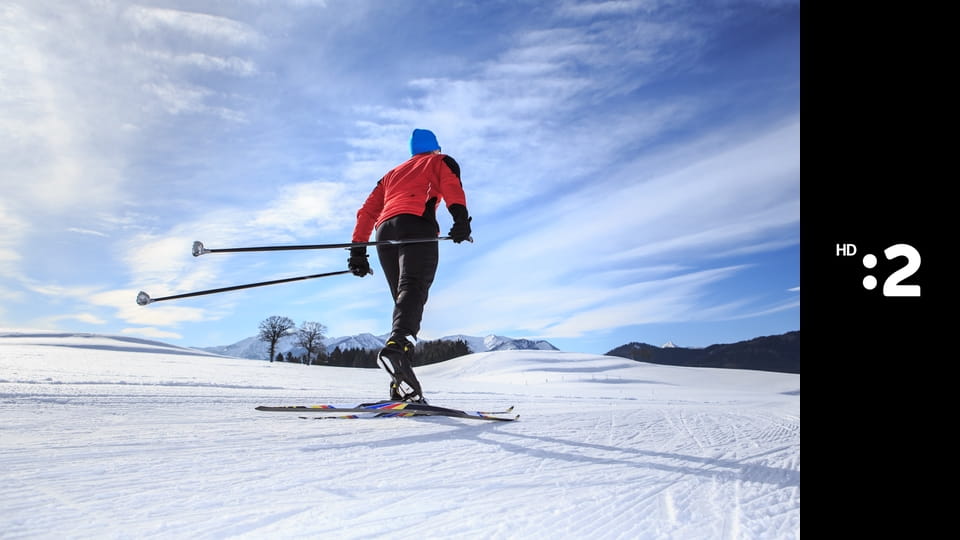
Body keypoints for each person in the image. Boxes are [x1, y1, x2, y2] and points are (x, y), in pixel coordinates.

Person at [347, 128, 472, 403]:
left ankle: (403, 384)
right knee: (413, 290)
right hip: (416, 225)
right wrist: (461, 220)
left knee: (404, 303)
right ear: (436, 147)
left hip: (384, 233)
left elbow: (367, 211)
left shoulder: (390, 174)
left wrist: (359, 251)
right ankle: (398, 349)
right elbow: (452, 187)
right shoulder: (439, 161)